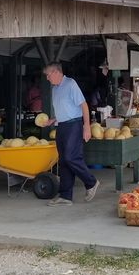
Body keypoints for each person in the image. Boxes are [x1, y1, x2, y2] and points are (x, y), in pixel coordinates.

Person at [37, 62, 99, 206]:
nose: (47, 78)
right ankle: (65, 196)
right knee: (64, 160)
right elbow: (64, 110)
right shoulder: (55, 89)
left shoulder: (71, 84)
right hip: (62, 126)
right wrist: (52, 121)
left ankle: (91, 182)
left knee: (72, 157)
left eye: (48, 75)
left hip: (74, 125)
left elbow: (83, 105)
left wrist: (87, 127)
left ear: (56, 72)